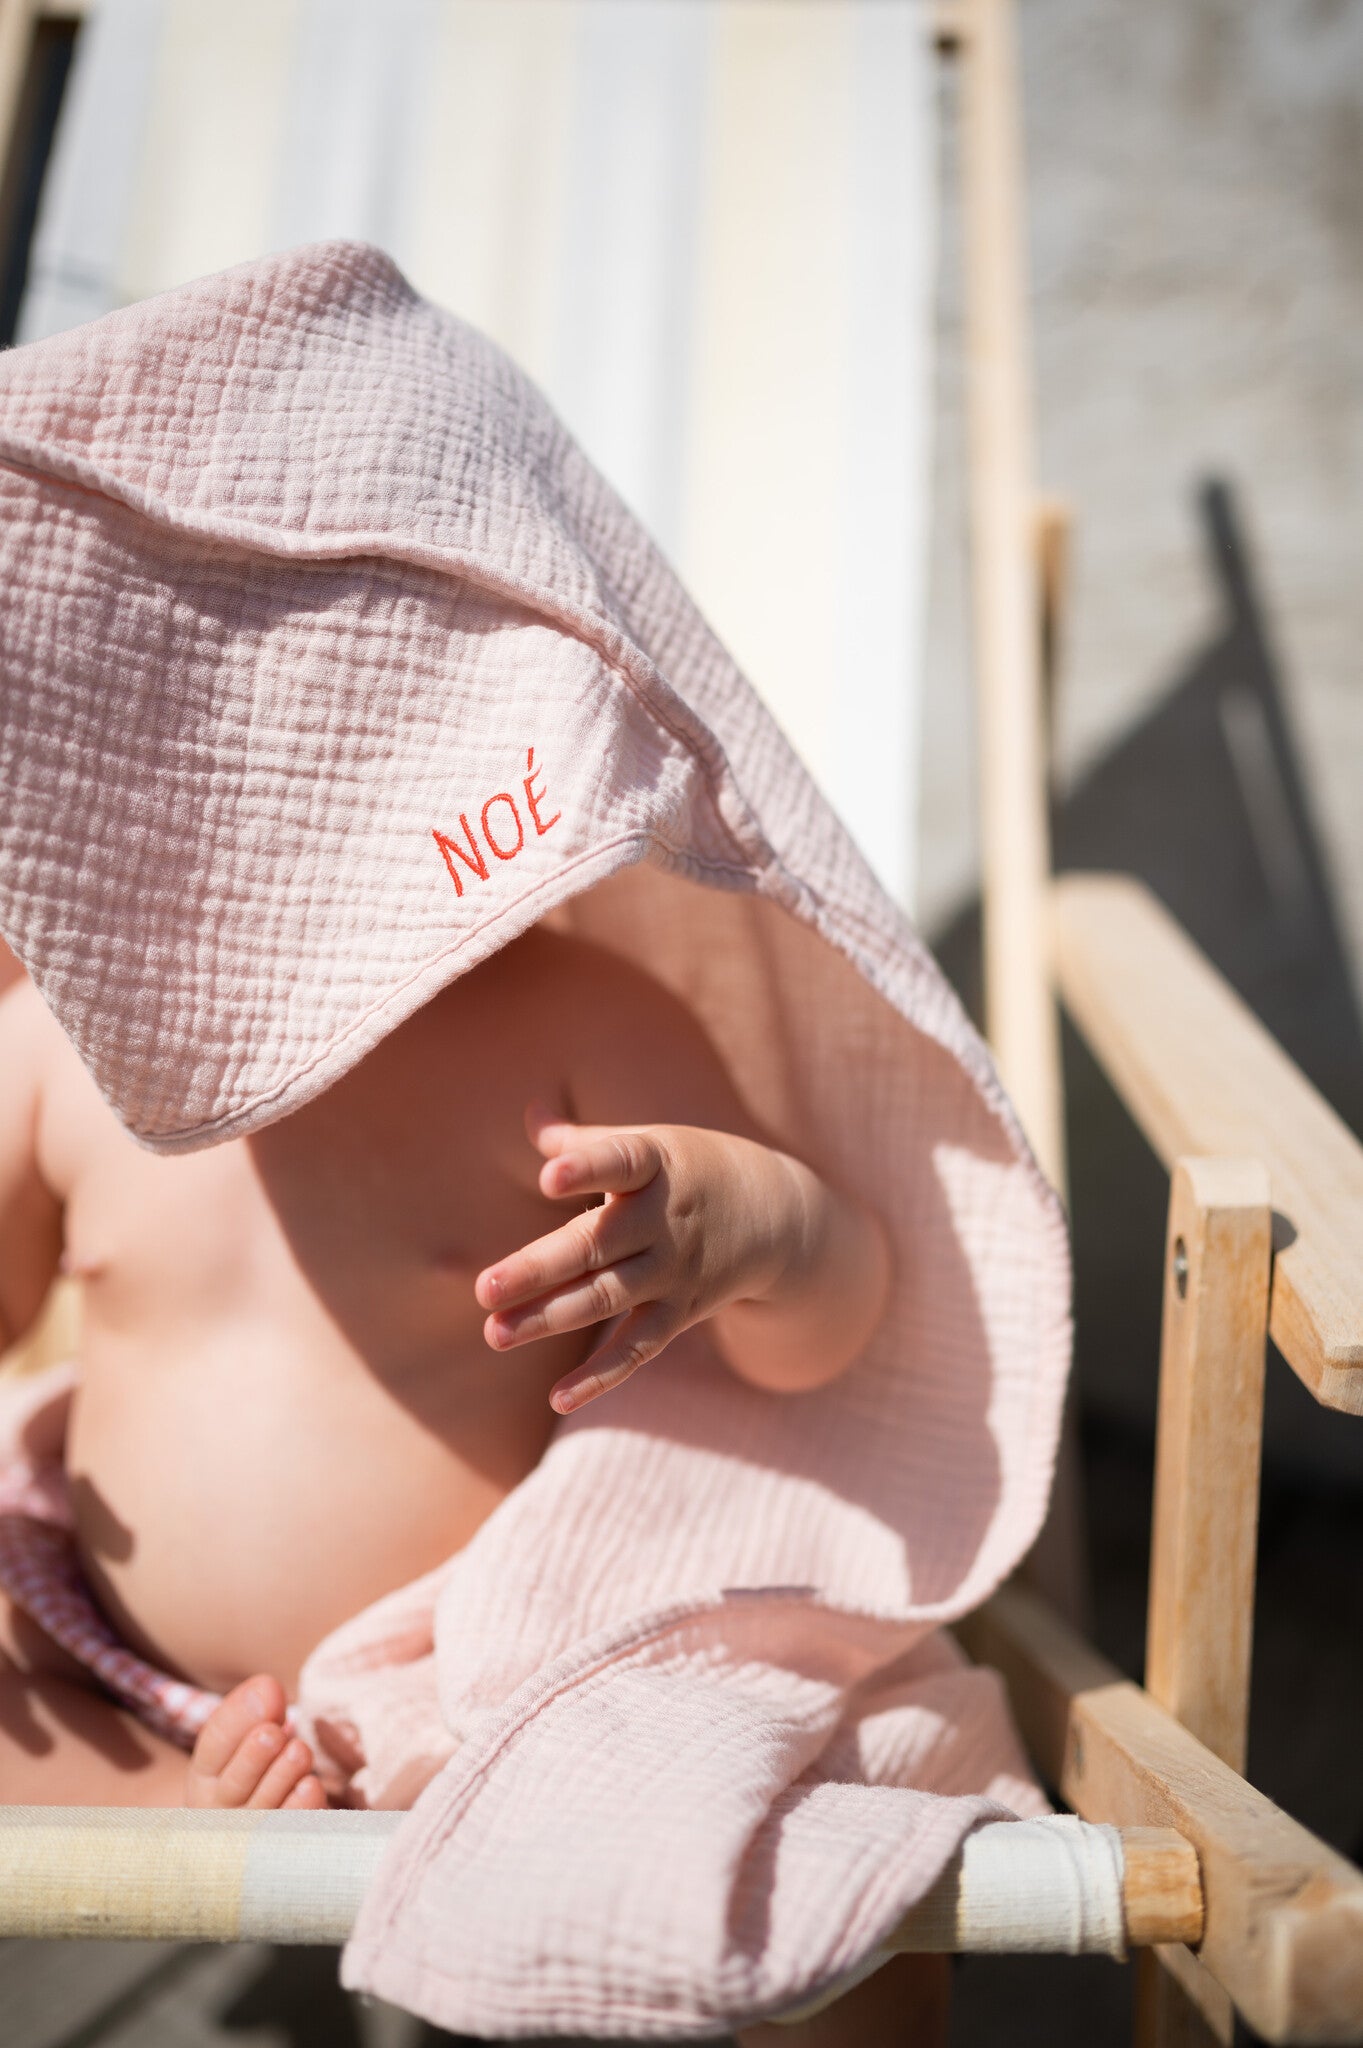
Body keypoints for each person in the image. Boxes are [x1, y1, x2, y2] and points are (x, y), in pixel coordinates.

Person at [0, 923, 889, 1811]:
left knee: (672, 1754)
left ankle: (252, 1820)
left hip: (454, 1695)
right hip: (91, 1658)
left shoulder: (574, 1017)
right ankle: (180, 1806)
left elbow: (814, 1352)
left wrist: (769, 1225)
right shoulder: (63, 1033)